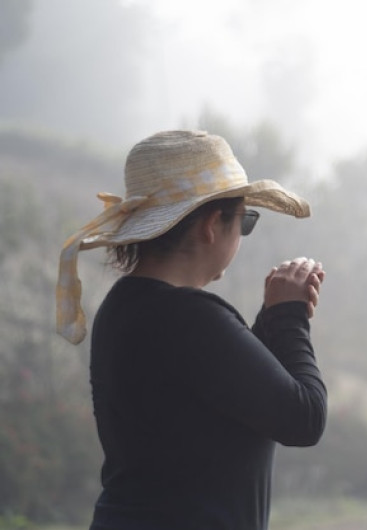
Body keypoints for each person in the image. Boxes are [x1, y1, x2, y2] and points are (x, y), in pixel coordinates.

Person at [55, 130, 327, 530]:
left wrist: (272, 318)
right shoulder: (191, 319)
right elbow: (304, 418)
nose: (242, 236)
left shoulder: (124, 308)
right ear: (212, 225)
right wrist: (289, 318)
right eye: (245, 221)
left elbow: (225, 385)